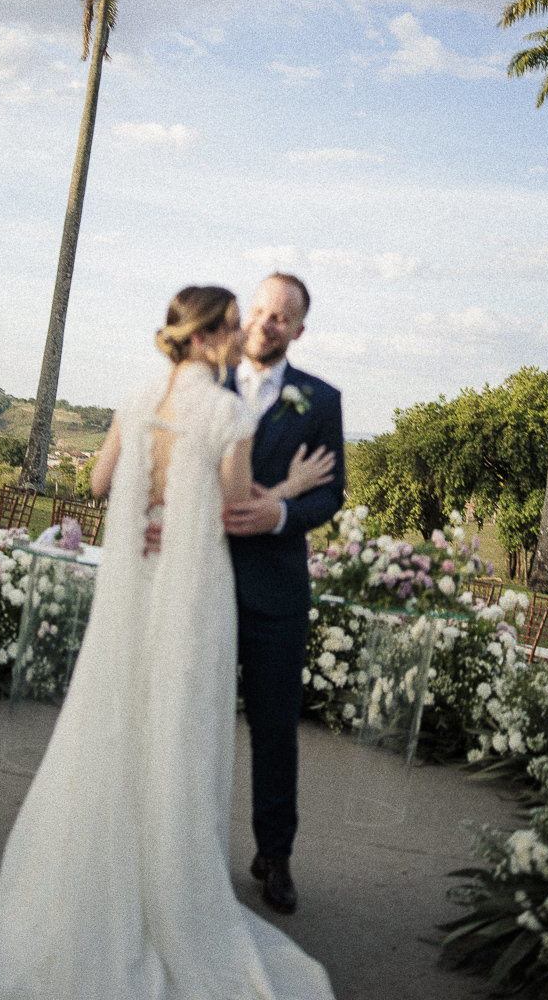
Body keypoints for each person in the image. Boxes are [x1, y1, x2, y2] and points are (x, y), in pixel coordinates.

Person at [0, 285, 337, 1000]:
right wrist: (292, 484)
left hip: (135, 590)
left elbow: (97, 482)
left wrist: (152, 505)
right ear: (217, 334)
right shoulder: (228, 411)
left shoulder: (134, 396)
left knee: (118, 719)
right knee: (182, 729)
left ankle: (99, 872)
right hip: (192, 591)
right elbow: (231, 506)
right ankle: (170, 885)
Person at [223, 273, 345, 915]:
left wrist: (280, 515)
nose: (267, 324)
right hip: (204, 578)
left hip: (276, 589)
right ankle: (184, 840)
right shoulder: (206, 382)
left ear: (299, 329)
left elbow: (331, 493)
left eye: (283, 317)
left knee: (274, 727)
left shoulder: (320, 399)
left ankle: (276, 855)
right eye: (261, 310)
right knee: (196, 717)